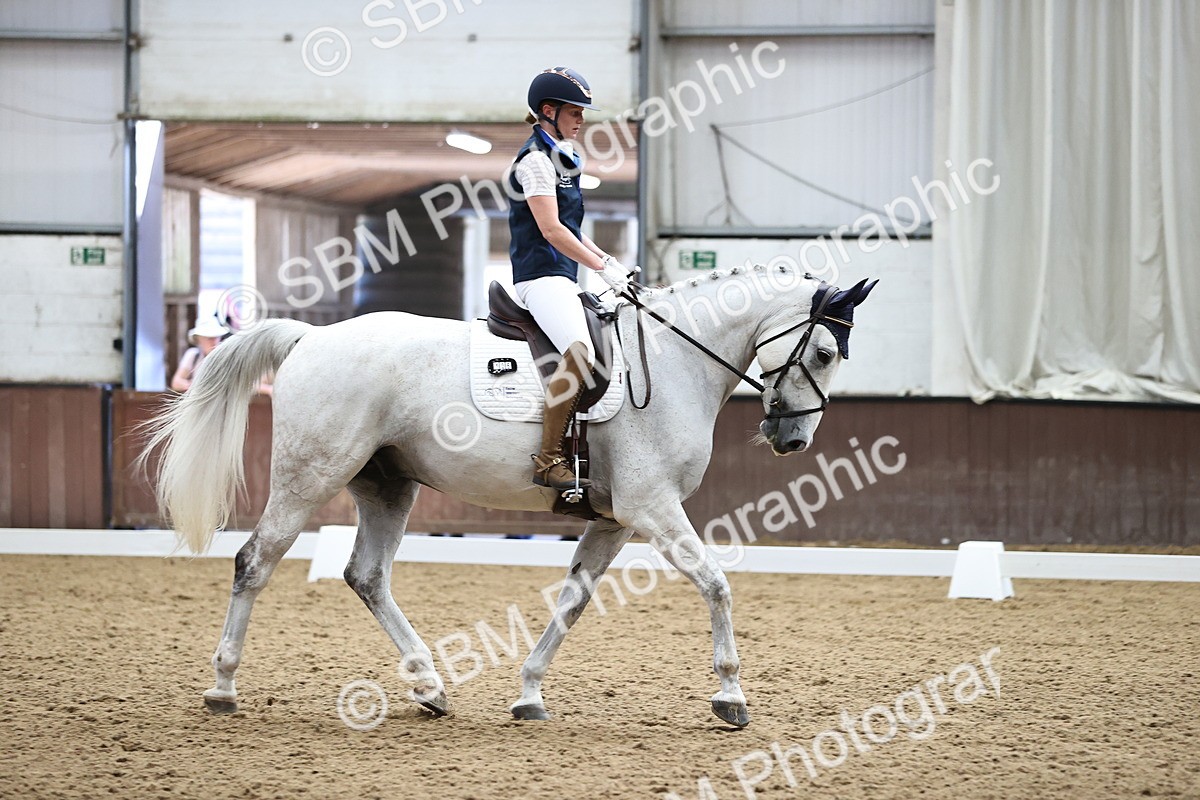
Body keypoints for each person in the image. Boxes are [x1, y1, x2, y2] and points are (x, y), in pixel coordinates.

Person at [508, 66, 631, 491]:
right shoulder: (536, 162)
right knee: (579, 353)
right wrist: (598, 269)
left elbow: (572, 229)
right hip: (539, 276)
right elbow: (551, 230)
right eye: (575, 112)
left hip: (562, 276)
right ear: (549, 110)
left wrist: (608, 261)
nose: (581, 120)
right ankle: (547, 459)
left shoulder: (562, 157)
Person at [171, 318, 229, 393]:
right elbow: (176, 383)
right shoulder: (193, 355)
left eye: (216, 337)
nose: (214, 341)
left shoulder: (226, 357)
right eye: (209, 338)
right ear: (199, 339)